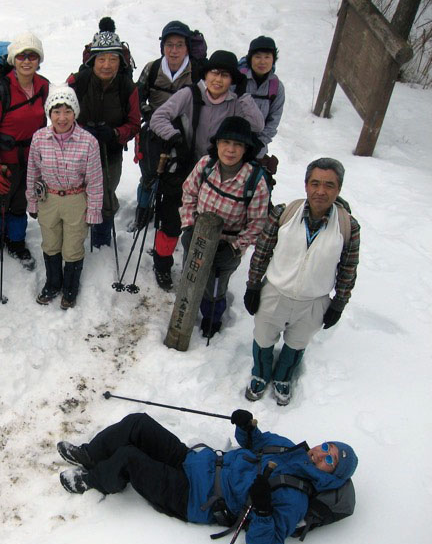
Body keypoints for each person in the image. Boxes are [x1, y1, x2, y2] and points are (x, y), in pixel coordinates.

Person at [57, 409, 358, 544]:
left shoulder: (296, 498)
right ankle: (91, 454)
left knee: (129, 458)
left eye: (329, 459)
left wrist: (264, 510)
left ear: (331, 475)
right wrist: (247, 425)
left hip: (192, 497)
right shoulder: (290, 448)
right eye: (326, 446)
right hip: (193, 461)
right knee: (139, 423)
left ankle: (93, 480)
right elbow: (257, 441)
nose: (320, 453)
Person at [244, 158, 359, 405]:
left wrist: (339, 303)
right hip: (275, 292)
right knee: (263, 337)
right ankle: (261, 374)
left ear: (338, 189)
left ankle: (284, 376)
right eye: (315, 183)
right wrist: (253, 285)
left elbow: (348, 268)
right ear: (306, 185)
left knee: (297, 342)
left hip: (313, 301)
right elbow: (262, 251)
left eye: (329, 185)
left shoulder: (348, 226)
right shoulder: (284, 213)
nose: (321, 191)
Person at [150, 50, 265, 288]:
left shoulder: (236, 102)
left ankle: (201, 271)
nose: (218, 79)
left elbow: (257, 125)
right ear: (206, 73)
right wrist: (175, 139)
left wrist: (244, 96)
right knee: (172, 219)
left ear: (233, 80)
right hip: (185, 165)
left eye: (225, 75)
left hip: (221, 173)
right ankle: (162, 263)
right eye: (214, 72)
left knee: (209, 225)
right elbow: (158, 117)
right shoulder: (190, 94)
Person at [179, 116, 270, 337]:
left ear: (246, 148)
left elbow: (257, 223)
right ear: (217, 143)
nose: (230, 150)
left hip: (227, 245)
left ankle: (212, 317)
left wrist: (234, 248)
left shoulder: (254, 180)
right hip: (198, 236)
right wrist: (189, 226)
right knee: (190, 277)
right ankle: (184, 314)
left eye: (238, 144)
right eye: (226, 142)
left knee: (214, 287)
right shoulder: (206, 165)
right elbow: (189, 193)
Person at [135, 20, 203, 290]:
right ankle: (144, 208)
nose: (174, 51)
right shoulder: (152, 69)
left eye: (179, 45)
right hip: (154, 133)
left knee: (177, 183)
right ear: (162, 46)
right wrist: (150, 115)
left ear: (187, 47)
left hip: (186, 138)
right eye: (169, 45)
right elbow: (137, 97)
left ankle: (167, 218)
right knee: (149, 176)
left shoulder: (196, 72)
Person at [26, 85, 103, 309]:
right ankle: (53, 283)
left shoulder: (88, 142)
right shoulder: (39, 138)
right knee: (50, 244)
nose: (62, 118)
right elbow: (33, 172)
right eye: (56, 111)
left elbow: (95, 181)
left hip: (75, 199)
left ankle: (70, 288)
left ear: (75, 113)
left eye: (67, 111)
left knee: (72, 247)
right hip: (48, 199)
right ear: (49, 113)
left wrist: (94, 210)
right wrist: (32, 199)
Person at [67, 17, 141, 249]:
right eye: (101, 59)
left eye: (112, 59)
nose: (106, 65)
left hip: (111, 151)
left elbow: (134, 123)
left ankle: (100, 239)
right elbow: (59, 112)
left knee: (106, 196)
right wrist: (78, 131)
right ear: (93, 60)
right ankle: (76, 237)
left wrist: (115, 134)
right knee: (77, 194)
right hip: (77, 151)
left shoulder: (127, 87)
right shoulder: (79, 81)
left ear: (120, 61)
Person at [0, 32, 49, 270]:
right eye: (22, 56)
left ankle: (17, 242)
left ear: (39, 60)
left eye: (32, 56)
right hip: (5, 160)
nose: (27, 61)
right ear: (14, 59)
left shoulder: (44, 86)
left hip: (31, 158)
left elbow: (46, 125)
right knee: (2, 201)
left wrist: (43, 157)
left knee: (22, 200)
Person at [238, 36, 284, 162]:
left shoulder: (276, 87)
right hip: (233, 143)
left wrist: (260, 143)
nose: (262, 62)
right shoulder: (238, 80)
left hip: (257, 148)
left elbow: (274, 119)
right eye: (257, 56)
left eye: (267, 57)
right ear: (250, 59)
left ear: (273, 59)